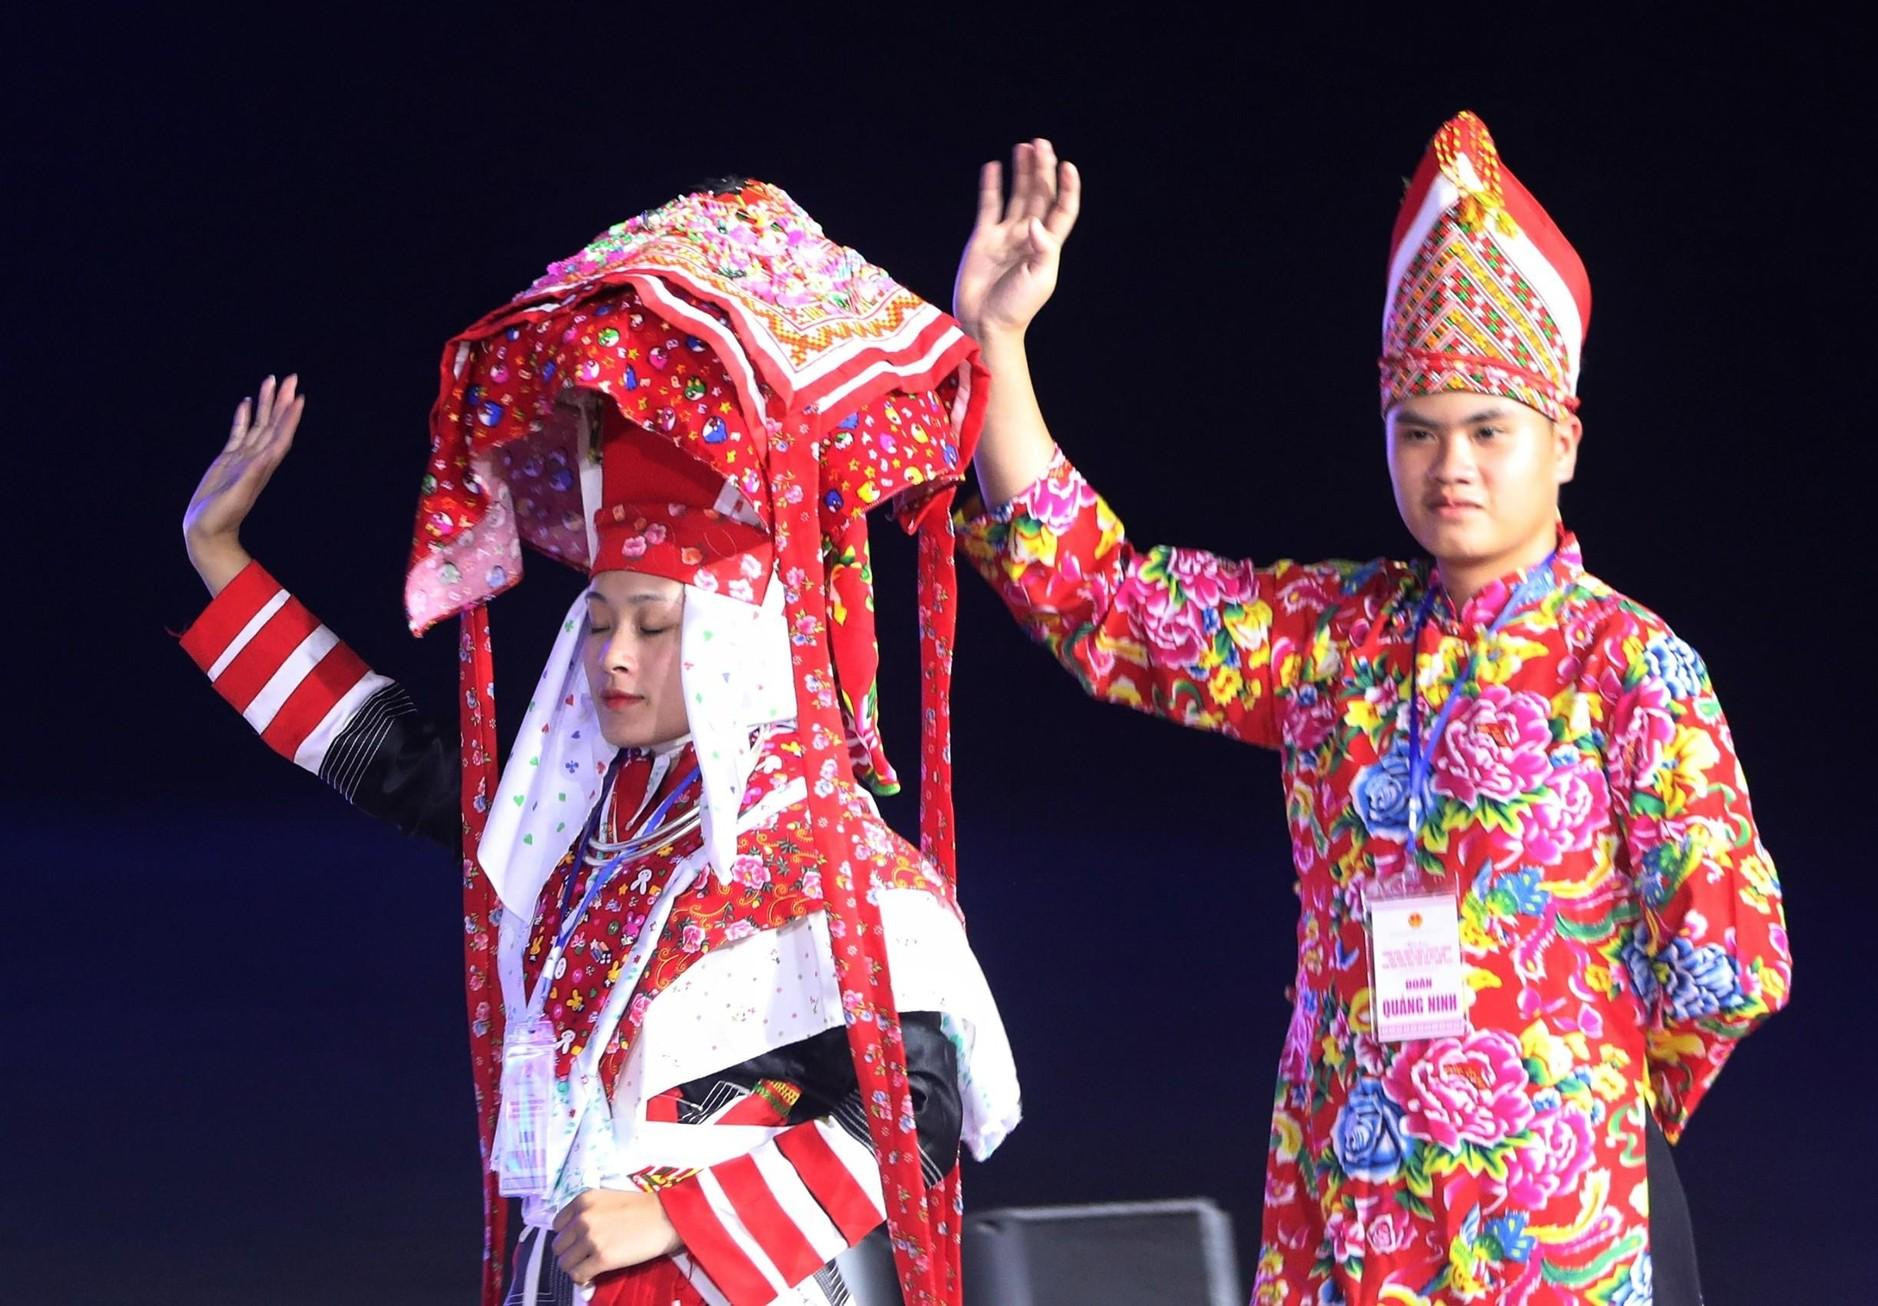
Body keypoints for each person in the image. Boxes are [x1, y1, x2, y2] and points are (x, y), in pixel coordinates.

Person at [951, 122, 1789, 1304]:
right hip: (1347, 1215)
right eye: (1418, 431)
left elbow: (1727, 957)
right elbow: (1109, 603)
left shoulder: (1630, 664)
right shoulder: (1330, 638)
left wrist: (1575, 1090)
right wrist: (997, 339)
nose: (1452, 464)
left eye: (1489, 431)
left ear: (1564, 443)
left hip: (1556, 1226)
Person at [180, 181, 1019, 1306]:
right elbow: (396, 760)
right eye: (602, 619)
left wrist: (670, 1215)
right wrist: (220, 559)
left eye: (654, 626)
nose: (613, 655)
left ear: (733, 645)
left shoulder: (814, 841)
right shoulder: (585, 820)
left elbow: (922, 1114)